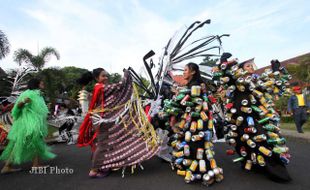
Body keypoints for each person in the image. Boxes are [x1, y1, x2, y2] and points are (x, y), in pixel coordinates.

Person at [215, 55, 292, 182]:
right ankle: (252, 163)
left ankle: (275, 170)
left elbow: (274, 84)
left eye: (251, 65)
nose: (251, 67)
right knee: (241, 140)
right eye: (247, 65)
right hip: (239, 116)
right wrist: (225, 62)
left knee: (262, 137)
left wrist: (275, 69)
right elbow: (225, 75)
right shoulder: (236, 80)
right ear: (240, 69)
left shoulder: (256, 80)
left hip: (256, 115)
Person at [77, 68, 159, 178]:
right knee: (103, 144)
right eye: (103, 76)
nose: (106, 78)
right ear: (97, 78)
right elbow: (120, 86)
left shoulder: (99, 87)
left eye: (106, 75)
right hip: (101, 120)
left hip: (101, 119)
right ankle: (94, 169)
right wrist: (126, 74)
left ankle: (103, 165)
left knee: (103, 143)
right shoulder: (101, 87)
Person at [161, 62, 224, 185]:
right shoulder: (194, 84)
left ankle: (206, 174)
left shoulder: (195, 85)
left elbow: (182, 103)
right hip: (195, 121)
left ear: (193, 72)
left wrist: (170, 109)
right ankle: (197, 170)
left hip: (199, 121)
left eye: (185, 70)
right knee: (194, 145)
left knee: (197, 146)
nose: (183, 72)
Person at [0, 78, 56, 174]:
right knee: (28, 143)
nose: (43, 83)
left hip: (34, 123)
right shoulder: (28, 93)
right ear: (36, 84)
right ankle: (34, 165)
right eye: (41, 82)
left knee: (31, 143)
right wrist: (23, 102)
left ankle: (9, 166)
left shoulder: (38, 95)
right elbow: (16, 109)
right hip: (28, 124)